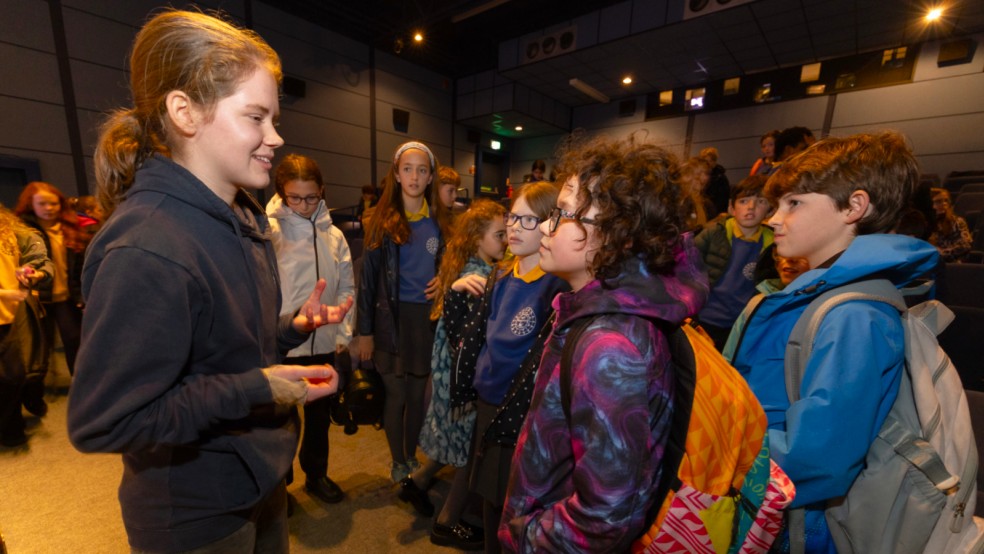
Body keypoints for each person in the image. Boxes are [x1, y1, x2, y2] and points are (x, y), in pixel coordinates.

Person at [66, 10, 351, 553]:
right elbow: (104, 420)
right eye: (256, 117)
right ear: (185, 112)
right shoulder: (149, 243)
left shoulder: (240, 217)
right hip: (197, 514)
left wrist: (288, 329)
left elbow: (217, 348)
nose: (275, 136)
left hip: (258, 480)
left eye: (273, 118)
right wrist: (256, 388)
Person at [730, 131, 939, 553]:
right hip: (770, 504)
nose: (774, 219)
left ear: (854, 207)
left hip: (798, 526)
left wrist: (718, 449)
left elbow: (816, 459)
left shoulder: (855, 316)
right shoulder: (821, 295)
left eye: (794, 203)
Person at [499, 135, 708, 552]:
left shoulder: (610, 347)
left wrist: (527, 537)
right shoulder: (597, 310)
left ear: (619, 236)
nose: (546, 226)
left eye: (563, 215)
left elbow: (606, 516)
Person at [447, 181, 566, 553]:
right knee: (488, 498)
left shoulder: (555, 288)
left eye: (529, 220)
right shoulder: (500, 275)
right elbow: (469, 338)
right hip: (488, 403)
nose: (514, 227)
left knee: (513, 507)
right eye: (513, 217)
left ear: (551, 225)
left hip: (521, 412)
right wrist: (455, 295)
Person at [400, 199, 506, 547]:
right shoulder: (480, 279)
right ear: (477, 238)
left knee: (457, 440)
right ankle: (446, 523)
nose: (506, 240)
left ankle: (416, 482)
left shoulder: (466, 267)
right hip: (465, 378)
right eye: (499, 234)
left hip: (450, 374)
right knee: (470, 451)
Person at [354, 140, 451, 484]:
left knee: (415, 396)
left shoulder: (440, 222)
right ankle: (398, 461)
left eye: (422, 170)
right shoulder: (380, 222)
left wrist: (444, 280)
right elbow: (367, 283)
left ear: (430, 178)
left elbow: (451, 266)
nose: (414, 176)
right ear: (396, 175)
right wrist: (365, 332)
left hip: (424, 321)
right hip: (389, 322)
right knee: (396, 396)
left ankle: (411, 456)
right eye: (407, 169)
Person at [267, 153, 355, 505]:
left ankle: (316, 474)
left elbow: (347, 287)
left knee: (319, 417)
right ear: (281, 193)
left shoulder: (334, 235)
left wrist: (343, 333)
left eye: (312, 197)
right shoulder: (270, 233)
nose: (304, 205)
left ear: (322, 192)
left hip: (324, 342)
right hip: (286, 342)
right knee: (283, 420)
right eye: (295, 198)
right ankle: (280, 485)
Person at [14, 181, 86, 416]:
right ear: (30, 205)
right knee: (38, 350)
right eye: (42, 203)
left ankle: (82, 390)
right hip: (37, 299)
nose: (48, 208)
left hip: (66, 298)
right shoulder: (23, 231)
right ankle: (33, 397)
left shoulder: (70, 227)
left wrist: (81, 296)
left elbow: (79, 268)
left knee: (75, 342)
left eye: (53, 203)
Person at [694, 174, 774, 350]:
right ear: (731, 207)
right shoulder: (713, 234)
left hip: (742, 325)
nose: (751, 207)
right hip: (705, 319)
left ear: (770, 211)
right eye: (743, 201)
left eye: (761, 202)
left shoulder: (773, 245)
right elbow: (687, 269)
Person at [0, 205, 52, 447]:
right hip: (8, 303)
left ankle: (11, 425)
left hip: (10, 315)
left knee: (15, 374)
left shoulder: (11, 231)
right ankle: (12, 429)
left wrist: (31, 272)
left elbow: (36, 261)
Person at [928, 187, 972, 262]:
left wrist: (941, 253)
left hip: (950, 262)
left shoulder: (957, 222)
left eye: (946, 201)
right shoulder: (921, 224)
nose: (944, 204)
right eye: (938, 201)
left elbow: (965, 245)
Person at [678, 156, 715, 232]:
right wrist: (703, 227)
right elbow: (681, 232)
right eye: (699, 173)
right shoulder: (679, 200)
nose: (704, 178)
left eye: (707, 173)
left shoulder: (706, 203)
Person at [699, 146, 731, 216]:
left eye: (709, 161)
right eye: (705, 161)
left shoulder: (720, 178)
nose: (707, 164)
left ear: (714, 162)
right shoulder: (699, 176)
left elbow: (723, 200)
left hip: (714, 213)